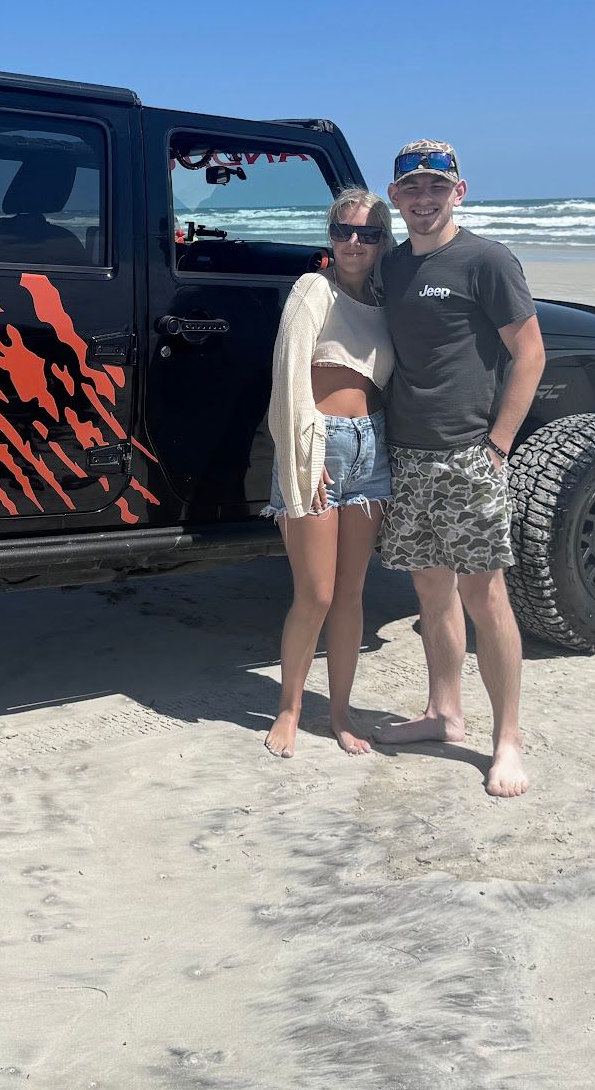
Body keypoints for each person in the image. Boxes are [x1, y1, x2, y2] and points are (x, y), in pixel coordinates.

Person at [372, 141, 545, 797]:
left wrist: (498, 444)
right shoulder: (392, 267)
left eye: (436, 189)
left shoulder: (487, 260)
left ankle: (507, 739)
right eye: (412, 189)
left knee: (485, 597)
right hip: (409, 454)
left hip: (470, 453)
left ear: (459, 192)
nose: (424, 200)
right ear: (396, 197)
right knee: (430, 593)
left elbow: (529, 355)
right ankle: (444, 712)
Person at [262, 188, 396, 759]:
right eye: (343, 231)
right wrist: (302, 458)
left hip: (371, 449)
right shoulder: (312, 289)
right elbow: (288, 375)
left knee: (351, 597)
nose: (352, 243)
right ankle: (289, 708)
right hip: (317, 444)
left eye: (366, 234)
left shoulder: (389, 302)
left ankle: (339, 713)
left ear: (382, 240)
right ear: (330, 234)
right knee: (314, 593)